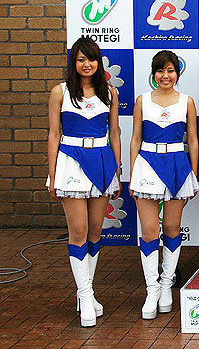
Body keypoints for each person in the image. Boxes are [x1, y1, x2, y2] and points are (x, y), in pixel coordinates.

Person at [46, 37, 120, 327]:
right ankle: (86, 296)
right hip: (71, 161)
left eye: (91, 59)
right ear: (73, 63)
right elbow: (54, 134)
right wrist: (53, 174)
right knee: (78, 231)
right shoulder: (60, 92)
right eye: (80, 59)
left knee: (95, 231)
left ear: (98, 62)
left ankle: (85, 291)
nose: (86, 64)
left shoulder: (109, 93)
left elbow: (114, 132)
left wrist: (116, 169)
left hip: (101, 160)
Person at [129, 50, 199, 319]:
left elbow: (192, 139)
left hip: (177, 165)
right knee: (149, 231)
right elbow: (135, 138)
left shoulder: (187, 101)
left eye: (170, 71)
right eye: (160, 70)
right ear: (153, 73)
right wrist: (134, 172)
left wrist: (192, 173)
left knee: (171, 228)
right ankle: (152, 290)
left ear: (177, 73)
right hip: (147, 164)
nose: (165, 76)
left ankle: (167, 285)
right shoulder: (142, 100)